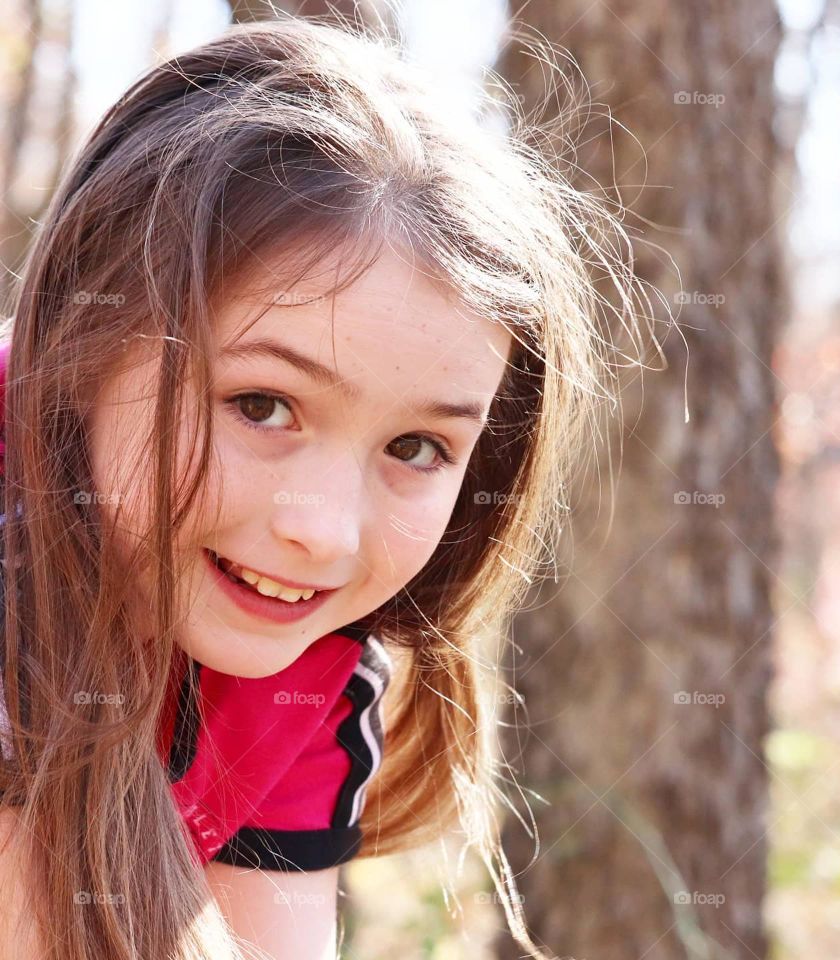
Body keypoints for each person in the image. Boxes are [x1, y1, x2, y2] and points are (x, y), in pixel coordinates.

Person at [0, 14, 648, 960]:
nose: (327, 534)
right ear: (78, 348)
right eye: (263, 405)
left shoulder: (303, 665)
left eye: (419, 448)